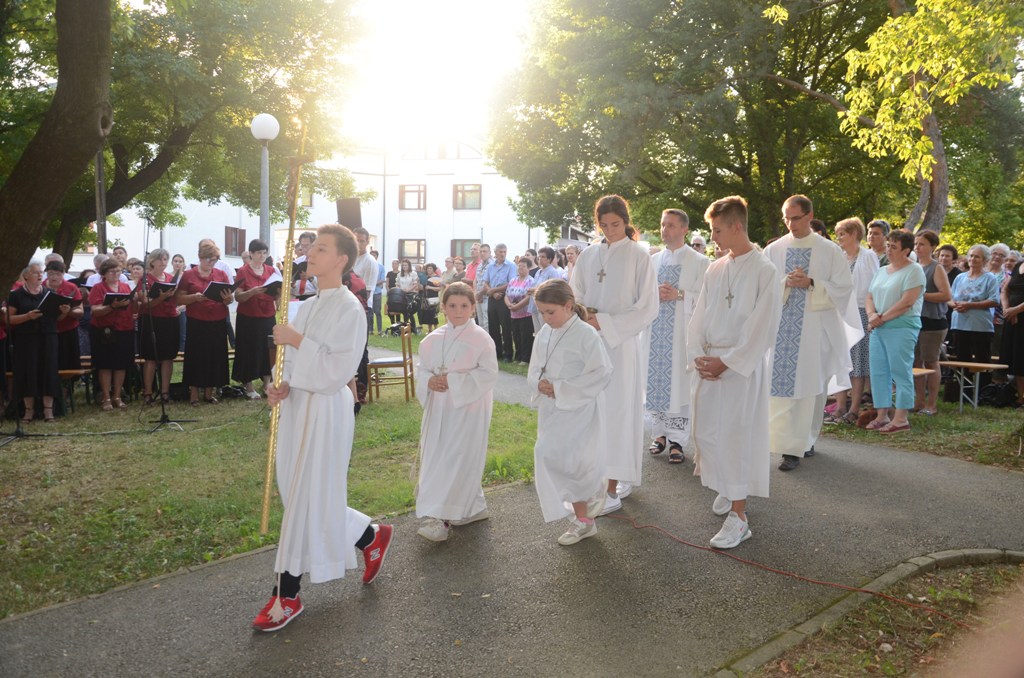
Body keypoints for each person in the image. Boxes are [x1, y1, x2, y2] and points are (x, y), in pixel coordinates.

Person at [252, 224, 393, 632]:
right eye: (311, 247)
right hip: (298, 406)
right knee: (299, 492)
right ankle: (368, 535)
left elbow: (337, 370)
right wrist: (280, 384)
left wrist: (297, 342)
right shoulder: (308, 304)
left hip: (327, 409)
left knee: (303, 498)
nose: (310, 253)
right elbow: (293, 365)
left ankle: (286, 594)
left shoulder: (351, 308)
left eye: (321, 248)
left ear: (342, 259)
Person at [688, 196, 782, 549]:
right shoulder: (715, 269)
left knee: (735, 438)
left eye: (716, 230)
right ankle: (728, 489)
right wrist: (699, 356)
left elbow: (763, 325)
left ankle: (739, 518)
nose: (712, 237)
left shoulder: (764, 270)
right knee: (710, 434)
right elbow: (699, 317)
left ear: (736, 226)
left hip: (739, 368)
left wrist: (727, 361)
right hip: (711, 364)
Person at [570, 195, 659, 512]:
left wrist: (604, 321)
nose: (609, 230)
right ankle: (592, 480)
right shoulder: (588, 255)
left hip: (620, 346)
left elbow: (648, 306)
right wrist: (583, 316)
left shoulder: (638, 256)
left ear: (626, 221)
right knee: (592, 412)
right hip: (589, 344)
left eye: (616, 224)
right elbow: (575, 294)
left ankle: (611, 487)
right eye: (604, 225)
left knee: (618, 412)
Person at [764, 195, 859, 472]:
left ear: (809, 216)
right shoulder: (774, 250)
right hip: (781, 332)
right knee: (779, 387)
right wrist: (785, 283)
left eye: (795, 218)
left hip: (815, 330)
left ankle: (803, 442)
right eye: (786, 218)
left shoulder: (828, 250)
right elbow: (762, 285)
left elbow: (843, 288)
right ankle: (784, 444)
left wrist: (812, 283)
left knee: (810, 389)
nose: (789, 223)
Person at [529, 279, 613, 545]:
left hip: (578, 410)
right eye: (541, 312)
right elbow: (535, 366)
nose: (545, 318)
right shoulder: (545, 332)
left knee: (575, 463)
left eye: (550, 312)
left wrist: (561, 389)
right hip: (552, 410)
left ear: (568, 306)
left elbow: (601, 372)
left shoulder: (586, 334)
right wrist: (539, 384)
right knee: (551, 456)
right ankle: (582, 511)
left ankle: (584, 519)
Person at [413, 282, 499, 542]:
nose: (458, 311)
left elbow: (488, 373)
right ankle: (472, 506)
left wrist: (452, 381)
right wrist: (429, 381)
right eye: (452, 306)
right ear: (443, 307)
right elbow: (422, 369)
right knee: (438, 455)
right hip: (439, 409)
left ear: (473, 307)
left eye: (464, 306)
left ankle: (443, 520)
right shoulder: (432, 340)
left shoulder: (481, 339)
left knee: (459, 456)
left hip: (467, 409)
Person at [645, 208, 708, 463]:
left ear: (684, 229)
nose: (664, 230)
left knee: (680, 385)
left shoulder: (700, 262)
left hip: (682, 335)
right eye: (662, 225)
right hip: (655, 334)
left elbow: (707, 299)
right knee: (657, 382)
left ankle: (678, 441)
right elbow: (641, 295)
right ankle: (659, 434)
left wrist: (680, 295)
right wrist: (654, 294)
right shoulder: (652, 261)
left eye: (670, 225)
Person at [863, 230, 926, 433]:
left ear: (906, 251)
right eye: (888, 245)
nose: (888, 249)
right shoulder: (882, 270)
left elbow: (907, 302)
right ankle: (882, 414)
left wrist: (881, 319)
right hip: (878, 328)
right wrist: (872, 315)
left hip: (901, 327)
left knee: (900, 371)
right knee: (879, 372)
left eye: (893, 247)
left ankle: (901, 419)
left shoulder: (914, 270)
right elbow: (869, 297)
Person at [825, 218, 879, 424]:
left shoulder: (868, 256)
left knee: (856, 364)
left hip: (858, 312)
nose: (839, 238)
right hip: (838, 313)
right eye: (838, 234)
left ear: (855, 234)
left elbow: (872, 287)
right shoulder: (838, 257)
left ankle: (854, 409)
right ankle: (839, 407)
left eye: (843, 234)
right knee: (839, 361)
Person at [176, 241, 233, 406]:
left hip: (218, 320)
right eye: (208, 259)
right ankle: (194, 394)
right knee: (196, 356)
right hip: (197, 321)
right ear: (200, 257)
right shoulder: (189, 275)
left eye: (214, 260)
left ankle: (209, 393)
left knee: (214, 356)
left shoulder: (221, 274)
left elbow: (229, 299)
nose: (211, 263)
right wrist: (195, 297)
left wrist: (228, 299)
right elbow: (179, 298)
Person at [8, 262, 62, 423]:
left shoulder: (50, 293)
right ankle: (29, 410)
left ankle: (48, 410)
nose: (40, 275)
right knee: (27, 371)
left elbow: (56, 318)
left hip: (48, 336)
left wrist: (63, 312)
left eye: (41, 272)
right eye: (35, 273)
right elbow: (8, 319)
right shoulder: (16, 295)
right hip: (26, 339)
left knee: (49, 371)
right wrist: (27, 317)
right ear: (26, 276)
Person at [911, 231, 952, 416]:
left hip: (933, 322)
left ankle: (932, 404)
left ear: (932, 247)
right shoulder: (913, 266)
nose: (917, 247)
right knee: (916, 362)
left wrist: (920, 295)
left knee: (931, 361)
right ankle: (918, 401)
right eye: (916, 243)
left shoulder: (936, 268)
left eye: (922, 244)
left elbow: (945, 295)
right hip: (914, 320)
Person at [949, 244, 1001, 388]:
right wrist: (955, 305)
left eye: (977, 256)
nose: (972, 259)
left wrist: (969, 305)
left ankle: (982, 391)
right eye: (971, 255)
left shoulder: (989, 278)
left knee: (981, 359)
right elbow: (950, 297)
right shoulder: (960, 277)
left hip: (980, 326)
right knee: (961, 358)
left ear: (985, 260)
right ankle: (962, 391)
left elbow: (994, 300)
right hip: (959, 323)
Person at [232, 239, 277, 399]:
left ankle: (266, 383)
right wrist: (252, 292)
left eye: (265, 253)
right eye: (259, 253)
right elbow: (238, 296)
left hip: (267, 315)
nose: (262, 256)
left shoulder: (271, 270)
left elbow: (277, 291)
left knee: (268, 349)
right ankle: (249, 386)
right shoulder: (243, 271)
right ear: (251, 254)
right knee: (248, 349)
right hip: (248, 317)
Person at [88, 259, 135, 411]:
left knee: (121, 364)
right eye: (112, 272)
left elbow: (131, 307)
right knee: (105, 365)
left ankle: (117, 396)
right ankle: (106, 397)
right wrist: (112, 306)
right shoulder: (98, 288)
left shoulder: (125, 286)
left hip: (124, 328)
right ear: (104, 274)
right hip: (104, 330)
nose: (115, 274)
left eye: (118, 271)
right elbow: (95, 310)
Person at [137, 249, 180, 404]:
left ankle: (165, 392)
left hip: (170, 320)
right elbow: (146, 303)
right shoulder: (145, 279)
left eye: (165, 259)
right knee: (151, 358)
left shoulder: (170, 278)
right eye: (161, 259)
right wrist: (161, 298)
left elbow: (177, 300)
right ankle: (148, 392)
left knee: (168, 357)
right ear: (152, 261)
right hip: (151, 320)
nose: (163, 262)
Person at [43, 261, 84, 371]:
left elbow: (80, 311)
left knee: (68, 362)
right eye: (51, 273)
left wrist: (68, 311)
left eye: (58, 274)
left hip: (68, 330)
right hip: (45, 330)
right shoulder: (41, 287)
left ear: (63, 274)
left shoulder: (71, 287)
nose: (54, 277)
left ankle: (68, 386)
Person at [481, 244, 515, 361]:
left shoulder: (511, 265)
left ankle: (508, 354)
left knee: (506, 326)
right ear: (495, 253)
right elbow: (485, 282)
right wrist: (492, 292)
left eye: (504, 251)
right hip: (492, 297)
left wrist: (494, 290)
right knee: (493, 326)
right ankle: (497, 352)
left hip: (504, 297)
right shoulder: (491, 266)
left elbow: (511, 283)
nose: (502, 254)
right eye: (500, 252)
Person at [1000, 252, 1024, 406]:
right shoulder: (1018, 266)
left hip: (1020, 315)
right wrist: (1007, 309)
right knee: (1017, 358)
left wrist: (1016, 310)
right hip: (1012, 319)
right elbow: (1005, 290)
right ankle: (1020, 397)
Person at [505, 259, 536, 364]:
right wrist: (509, 305)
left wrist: (517, 306)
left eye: (523, 266)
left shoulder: (531, 281)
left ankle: (525, 358)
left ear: (528, 268)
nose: (520, 268)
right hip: (513, 313)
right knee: (516, 336)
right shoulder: (513, 280)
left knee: (525, 336)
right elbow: (506, 294)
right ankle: (517, 357)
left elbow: (528, 297)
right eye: (519, 266)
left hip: (525, 313)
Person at [527, 246, 565, 333]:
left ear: (549, 259)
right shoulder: (538, 272)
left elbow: (553, 289)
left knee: (545, 331)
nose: (540, 259)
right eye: (539, 257)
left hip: (545, 305)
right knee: (537, 332)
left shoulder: (552, 272)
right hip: (534, 304)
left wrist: (536, 290)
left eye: (543, 257)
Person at [351, 227, 378, 334]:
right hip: (347, 306)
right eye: (356, 240)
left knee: (360, 347)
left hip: (362, 307)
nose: (358, 243)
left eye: (361, 241)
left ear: (367, 242)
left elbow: (367, 291)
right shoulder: (349, 257)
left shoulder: (370, 261)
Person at [396, 259, 421, 332]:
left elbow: (415, 284)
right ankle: (405, 328)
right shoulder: (399, 274)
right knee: (404, 311)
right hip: (402, 294)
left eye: (406, 265)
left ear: (409, 266)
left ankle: (414, 328)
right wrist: (401, 289)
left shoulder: (413, 273)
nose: (404, 267)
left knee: (410, 311)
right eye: (403, 265)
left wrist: (409, 289)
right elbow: (397, 284)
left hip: (411, 294)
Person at [471, 244, 491, 330]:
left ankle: (487, 342)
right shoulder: (480, 265)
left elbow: (489, 282)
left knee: (487, 322)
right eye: (481, 251)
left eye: (485, 251)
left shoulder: (492, 265)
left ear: (489, 252)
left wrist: (480, 294)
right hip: (478, 297)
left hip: (487, 297)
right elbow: (475, 280)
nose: (482, 253)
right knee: (480, 322)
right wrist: (476, 293)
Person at [420, 263, 442, 333]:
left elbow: (439, 288)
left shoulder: (436, 277)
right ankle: (429, 330)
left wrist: (430, 287)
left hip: (434, 298)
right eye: (428, 268)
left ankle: (436, 329)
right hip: (426, 298)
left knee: (434, 314)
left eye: (430, 268)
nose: (429, 270)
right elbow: (422, 287)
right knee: (427, 314)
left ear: (434, 269)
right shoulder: (425, 278)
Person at [371, 250, 386, 335]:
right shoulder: (367, 266)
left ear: (377, 257)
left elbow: (382, 280)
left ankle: (380, 330)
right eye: (371, 255)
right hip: (368, 292)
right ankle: (370, 330)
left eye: (375, 255)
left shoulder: (381, 267)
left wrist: (372, 283)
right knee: (370, 312)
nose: (373, 257)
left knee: (377, 311)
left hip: (377, 292)